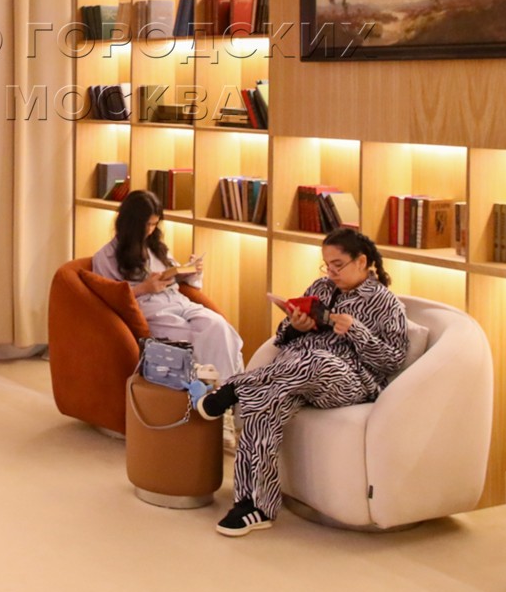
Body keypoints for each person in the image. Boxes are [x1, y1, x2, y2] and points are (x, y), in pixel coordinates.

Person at [195, 228, 408, 536]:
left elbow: (392, 360)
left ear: (362, 261)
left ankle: (235, 386)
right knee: (263, 403)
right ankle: (254, 506)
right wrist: (296, 326)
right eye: (327, 265)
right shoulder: (320, 287)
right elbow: (282, 337)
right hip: (293, 375)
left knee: (317, 360)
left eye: (338, 265)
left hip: (347, 381)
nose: (331, 273)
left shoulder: (386, 304)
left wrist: (355, 331)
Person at [92, 190, 244, 383]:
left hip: (178, 300)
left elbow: (181, 280)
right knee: (189, 337)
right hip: (150, 308)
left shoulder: (156, 247)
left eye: (155, 224)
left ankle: (226, 387)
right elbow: (109, 300)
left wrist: (191, 271)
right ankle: (208, 390)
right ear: (131, 223)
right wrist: (144, 288)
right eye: (147, 224)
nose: (150, 230)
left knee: (218, 326)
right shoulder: (105, 257)